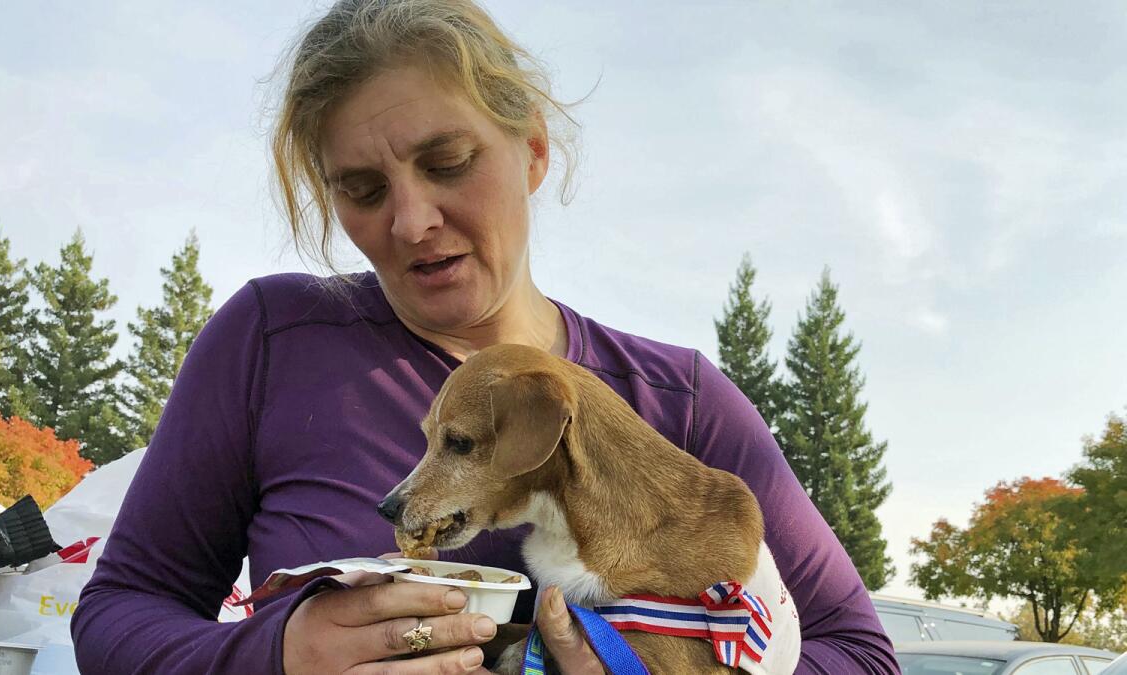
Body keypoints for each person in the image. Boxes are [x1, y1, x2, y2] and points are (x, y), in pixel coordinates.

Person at [71, 1, 899, 673]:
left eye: (448, 161)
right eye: (361, 189)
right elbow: (117, 612)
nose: (410, 221)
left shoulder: (676, 399)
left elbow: (861, 653)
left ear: (533, 149)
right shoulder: (272, 339)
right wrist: (276, 653)